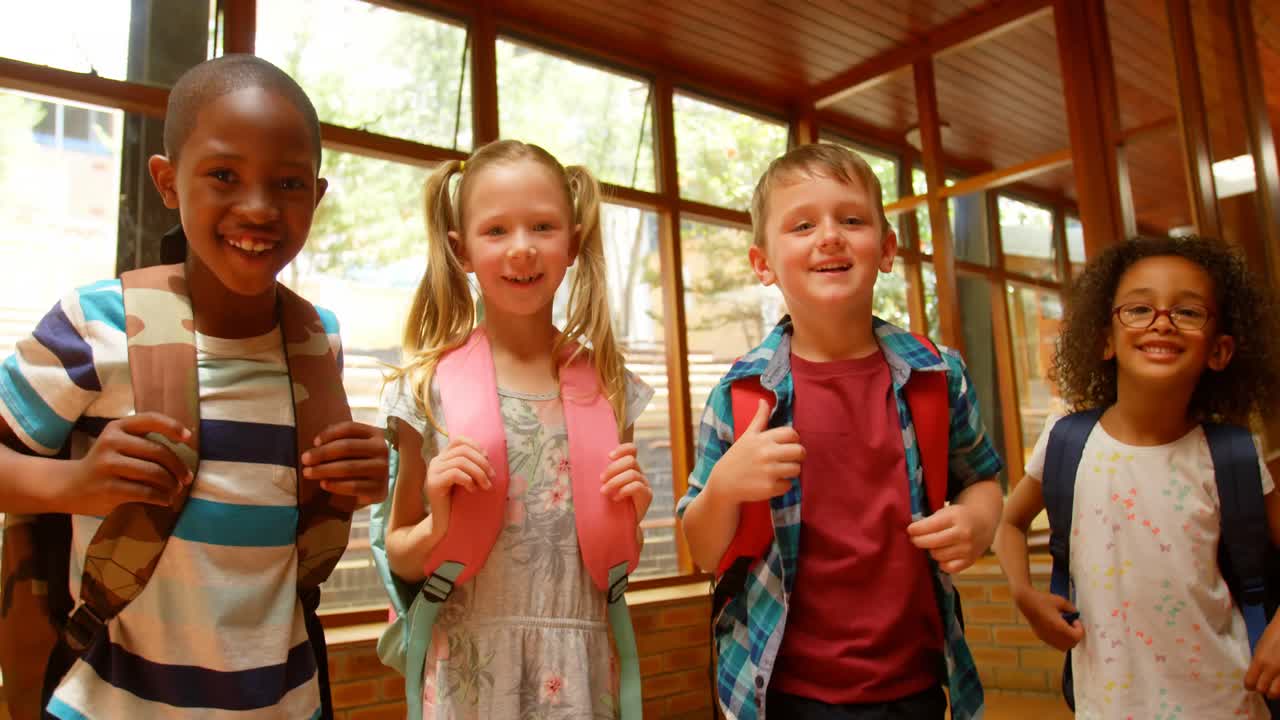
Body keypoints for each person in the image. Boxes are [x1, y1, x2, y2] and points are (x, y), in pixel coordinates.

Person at [0, 54, 388, 719]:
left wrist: (376, 476)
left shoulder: (319, 339)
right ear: (168, 181)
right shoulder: (93, 324)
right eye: (224, 175)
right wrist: (74, 485)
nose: (259, 207)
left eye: (289, 182)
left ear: (316, 197)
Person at [678, 143, 1004, 720]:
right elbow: (705, 550)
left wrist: (977, 522)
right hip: (780, 693)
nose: (829, 236)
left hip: (916, 685)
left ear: (886, 249)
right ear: (763, 264)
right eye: (802, 225)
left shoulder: (938, 374)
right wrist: (726, 486)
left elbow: (983, 481)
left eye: (851, 220)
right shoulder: (739, 395)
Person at [376, 139, 654, 719]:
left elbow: (611, 561)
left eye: (543, 227)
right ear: (462, 251)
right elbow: (400, 555)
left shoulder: (610, 385)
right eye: (496, 230)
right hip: (470, 675)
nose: (522, 249)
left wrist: (634, 516)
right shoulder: (426, 391)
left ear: (573, 242)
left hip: (580, 669)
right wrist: (438, 518)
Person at [994, 235, 1280, 718]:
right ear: (1105, 337)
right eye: (1139, 309)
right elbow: (1008, 523)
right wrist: (1024, 594)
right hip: (1105, 705)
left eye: (1188, 312)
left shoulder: (1231, 456)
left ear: (1220, 350)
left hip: (1226, 703)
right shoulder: (1068, 442)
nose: (1162, 322)